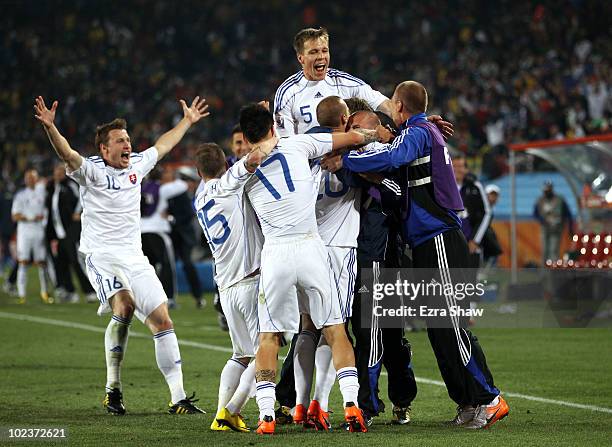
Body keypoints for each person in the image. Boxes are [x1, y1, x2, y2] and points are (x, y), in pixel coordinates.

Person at [334, 81, 509, 429]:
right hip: (428, 240)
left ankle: (489, 398)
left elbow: (394, 154)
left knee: (449, 325)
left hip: (439, 237)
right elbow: (397, 145)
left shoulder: (419, 131)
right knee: (438, 328)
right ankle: (468, 402)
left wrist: (350, 154)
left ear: (398, 105)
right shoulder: (419, 129)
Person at [34, 95, 208, 415]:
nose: (128, 144)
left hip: (134, 256)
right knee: (124, 304)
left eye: (128, 139)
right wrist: (50, 127)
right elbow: (67, 154)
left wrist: (187, 121)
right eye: (120, 141)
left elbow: (163, 145)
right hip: (100, 256)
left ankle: (178, 397)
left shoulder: (137, 165)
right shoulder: (91, 171)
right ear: (105, 149)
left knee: (163, 320)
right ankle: (113, 389)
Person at [240, 103, 382, 434]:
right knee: (334, 329)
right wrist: (379, 133)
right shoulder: (299, 144)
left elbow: (244, 223)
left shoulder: (240, 173)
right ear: (274, 127)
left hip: (275, 253)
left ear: (245, 137)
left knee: (270, 337)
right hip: (311, 246)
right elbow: (353, 137)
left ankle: (267, 416)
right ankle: (350, 405)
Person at [193, 139, 277, 433]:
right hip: (250, 280)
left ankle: (220, 414)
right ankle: (232, 409)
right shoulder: (229, 183)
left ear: (198, 171)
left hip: (225, 286)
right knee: (267, 348)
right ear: (226, 164)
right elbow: (254, 159)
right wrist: (273, 132)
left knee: (240, 354)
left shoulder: (199, 197)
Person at [273, 27, 393, 137]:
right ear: (301, 58)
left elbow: (385, 104)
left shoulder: (341, 81)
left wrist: (404, 121)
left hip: (345, 156)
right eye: (313, 52)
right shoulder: (288, 92)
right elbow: (286, 141)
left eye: (324, 50)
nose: (321, 56)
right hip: (308, 158)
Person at [46, 163, 96, 303]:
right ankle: (69, 291)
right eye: (57, 171)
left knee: (76, 260)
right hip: (57, 231)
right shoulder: (51, 187)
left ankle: (90, 291)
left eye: (62, 171)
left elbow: (82, 196)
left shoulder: (71, 185)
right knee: (61, 262)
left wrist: (76, 212)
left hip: (70, 229)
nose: (59, 173)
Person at [141, 168, 188, 308]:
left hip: (141, 232)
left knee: (146, 269)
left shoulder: (140, 188)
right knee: (167, 265)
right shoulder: (163, 189)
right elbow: (183, 185)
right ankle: (170, 298)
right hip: (158, 231)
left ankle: (146, 299)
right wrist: (176, 176)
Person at [11, 168, 52, 304]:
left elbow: (48, 180)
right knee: (23, 262)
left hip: (39, 232)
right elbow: (15, 216)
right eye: (28, 177)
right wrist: (32, 217)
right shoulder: (20, 195)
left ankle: (44, 292)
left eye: (33, 177)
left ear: (37, 179)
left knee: (41, 263)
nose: (31, 180)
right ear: (25, 180)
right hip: (25, 233)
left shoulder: (41, 191)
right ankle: (22, 294)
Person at [452, 153, 492, 268]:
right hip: (450, 244)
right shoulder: (443, 186)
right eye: (454, 166)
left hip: (470, 244)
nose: (457, 170)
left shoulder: (475, 186)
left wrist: (475, 240)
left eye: (460, 166)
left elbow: (487, 213)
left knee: (469, 283)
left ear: (466, 169)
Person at [534, 181, 573, 264]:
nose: (546, 192)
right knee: (544, 250)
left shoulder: (559, 199)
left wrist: (570, 227)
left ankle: (554, 272)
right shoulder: (540, 200)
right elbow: (535, 213)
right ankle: (544, 273)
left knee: (554, 250)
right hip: (545, 227)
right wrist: (543, 220)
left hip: (557, 228)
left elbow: (567, 214)